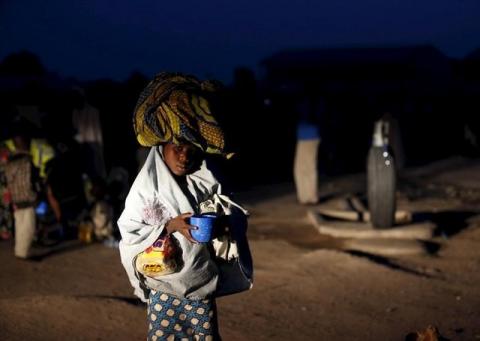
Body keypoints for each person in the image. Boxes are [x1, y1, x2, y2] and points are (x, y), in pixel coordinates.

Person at [118, 72, 253, 340]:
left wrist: (223, 224)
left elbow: (234, 217)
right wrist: (170, 225)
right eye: (177, 148)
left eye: (192, 151)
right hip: (163, 287)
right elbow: (130, 233)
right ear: (161, 147)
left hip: (200, 282)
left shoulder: (207, 182)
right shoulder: (146, 189)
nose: (184, 156)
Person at [293, 93, 322, 204]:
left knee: (307, 168)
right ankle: (306, 197)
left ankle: (310, 197)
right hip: (305, 136)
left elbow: (311, 116)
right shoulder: (308, 102)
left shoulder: (309, 102)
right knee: (302, 169)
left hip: (309, 136)